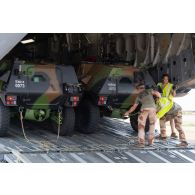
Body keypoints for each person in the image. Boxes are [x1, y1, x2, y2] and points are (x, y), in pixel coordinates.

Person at [157, 73, 178, 139]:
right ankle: (163, 134)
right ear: (162, 79)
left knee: (171, 118)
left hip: (168, 103)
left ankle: (173, 132)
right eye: (165, 79)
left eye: (167, 79)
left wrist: (174, 90)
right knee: (162, 117)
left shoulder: (170, 85)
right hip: (161, 103)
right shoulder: (159, 85)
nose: (166, 80)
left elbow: (174, 95)